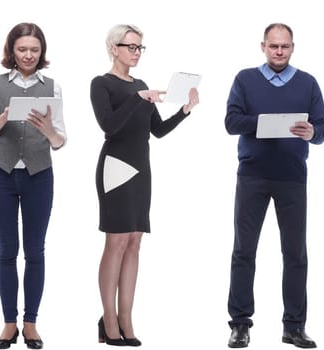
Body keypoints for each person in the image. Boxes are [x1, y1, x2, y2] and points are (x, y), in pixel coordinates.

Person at [90, 24, 199, 347]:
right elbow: (109, 126)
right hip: (115, 168)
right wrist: (138, 99)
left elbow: (158, 131)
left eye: (140, 48)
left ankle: (127, 318)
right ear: (114, 48)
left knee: (135, 241)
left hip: (141, 170)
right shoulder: (102, 84)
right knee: (116, 242)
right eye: (131, 47)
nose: (136, 53)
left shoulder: (142, 85)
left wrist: (184, 111)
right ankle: (108, 320)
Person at [225, 23, 324, 349]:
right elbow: (231, 122)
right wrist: (265, 124)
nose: (279, 52)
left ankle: (294, 327)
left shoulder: (308, 83)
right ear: (263, 47)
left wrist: (313, 133)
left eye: (284, 46)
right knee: (244, 251)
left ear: (293, 47)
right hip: (252, 176)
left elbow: (323, 128)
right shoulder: (245, 79)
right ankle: (240, 324)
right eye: (274, 46)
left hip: (292, 178)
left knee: (295, 254)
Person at [0, 23, 66, 350]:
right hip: (0, 173)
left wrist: (48, 130)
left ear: (42, 53)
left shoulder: (52, 87)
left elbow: (60, 140)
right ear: (11, 51)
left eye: (34, 50)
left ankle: (31, 324)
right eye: (22, 49)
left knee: (35, 251)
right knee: (6, 251)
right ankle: (8, 323)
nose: (28, 55)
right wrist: (1, 119)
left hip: (39, 174)